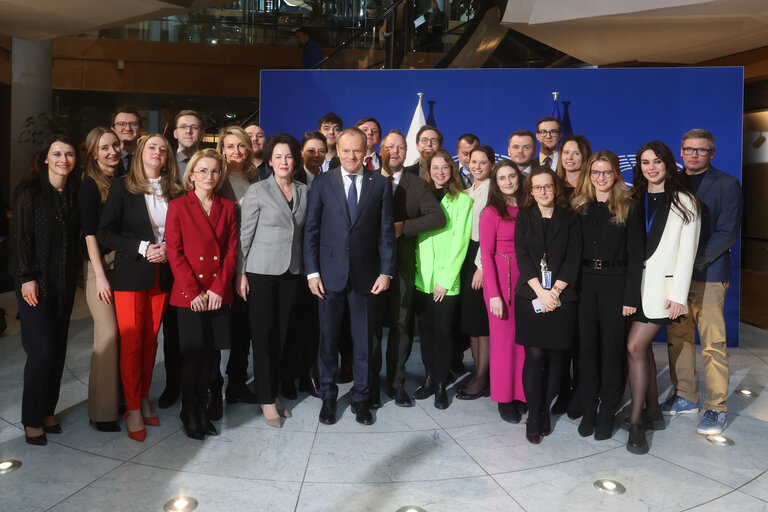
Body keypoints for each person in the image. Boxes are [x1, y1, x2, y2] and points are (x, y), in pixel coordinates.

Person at [304, 127, 395, 426]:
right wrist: (312, 272)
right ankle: (328, 397)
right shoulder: (322, 182)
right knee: (327, 340)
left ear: (366, 149)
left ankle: (361, 398)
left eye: (357, 150)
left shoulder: (380, 184)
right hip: (328, 276)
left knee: (363, 343)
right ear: (338, 150)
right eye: (346, 150)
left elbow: (385, 233)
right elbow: (312, 230)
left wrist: (386, 271)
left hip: (367, 277)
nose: (351, 156)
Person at [98, 134, 183, 442]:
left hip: (164, 277)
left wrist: (168, 248)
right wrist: (143, 247)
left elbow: (181, 231)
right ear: (140, 154)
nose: (158, 152)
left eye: (163, 149)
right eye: (152, 147)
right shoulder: (123, 187)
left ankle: (144, 396)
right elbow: (105, 232)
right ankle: (132, 407)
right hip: (131, 276)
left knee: (150, 342)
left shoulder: (176, 190)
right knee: (132, 343)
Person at [664, 130, 742, 436]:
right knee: (678, 337)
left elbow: (727, 232)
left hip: (709, 273)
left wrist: (692, 263)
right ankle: (685, 395)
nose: (694, 155)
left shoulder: (727, 184)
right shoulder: (672, 182)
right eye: (689, 150)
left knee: (713, 343)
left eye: (701, 150)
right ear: (680, 152)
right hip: (675, 277)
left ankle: (716, 406)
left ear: (712, 153)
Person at [625, 140, 700, 455]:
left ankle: (636, 422)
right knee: (641, 352)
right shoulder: (633, 198)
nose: (651, 167)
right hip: (633, 289)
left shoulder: (686, 201)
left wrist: (678, 294)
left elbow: (687, 253)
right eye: (645, 162)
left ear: (669, 164)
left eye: (657, 161)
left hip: (663, 292)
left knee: (634, 347)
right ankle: (653, 411)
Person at [11, 135, 81, 446]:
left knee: (58, 350)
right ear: (45, 158)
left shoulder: (74, 193)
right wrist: (27, 276)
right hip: (34, 283)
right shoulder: (29, 191)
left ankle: (48, 410)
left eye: (69, 154)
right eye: (57, 153)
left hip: (63, 283)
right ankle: (30, 418)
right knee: (40, 351)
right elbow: (21, 236)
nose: (63, 159)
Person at [570, 150, 644, 439]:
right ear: (589, 175)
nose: (601, 178)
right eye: (596, 172)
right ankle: (589, 408)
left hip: (616, 283)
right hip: (584, 284)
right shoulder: (578, 207)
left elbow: (637, 255)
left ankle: (606, 411)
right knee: (586, 350)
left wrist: (630, 297)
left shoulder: (630, 207)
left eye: (607, 172)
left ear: (616, 174)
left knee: (612, 352)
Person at [165, 148, 237, 440]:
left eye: (215, 171)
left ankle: (204, 409)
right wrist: (194, 291)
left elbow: (232, 251)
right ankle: (189, 409)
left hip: (217, 293)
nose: (210, 176)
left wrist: (219, 288)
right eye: (203, 171)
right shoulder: (178, 206)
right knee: (192, 354)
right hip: (189, 294)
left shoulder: (228, 207)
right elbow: (174, 251)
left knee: (211, 353)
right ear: (191, 175)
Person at [238, 134, 308, 428]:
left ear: (295, 160)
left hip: (292, 272)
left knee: (282, 337)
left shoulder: (305, 190)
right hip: (261, 272)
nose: (283, 162)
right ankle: (265, 399)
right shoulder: (257, 191)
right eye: (277, 157)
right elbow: (245, 234)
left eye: (288, 156)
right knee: (263, 337)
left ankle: (274, 392)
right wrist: (240, 273)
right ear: (269, 161)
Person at [371, 130, 446, 408]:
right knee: (372, 325)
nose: (395, 151)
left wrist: (404, 227)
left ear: (407, 151)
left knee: (402, 323)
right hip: (371, 263)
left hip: (403, 262)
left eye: (400, 147)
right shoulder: (368, 179)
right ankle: (369, 381)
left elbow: (438, 217)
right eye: (390, 146)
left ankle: (397, 382)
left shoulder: (417, 184)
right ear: (381, 150)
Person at [514, 166, 582, 444]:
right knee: (535, 357)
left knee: (557, 358)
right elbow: (523, 256)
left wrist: (554, 291)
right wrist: (540, 292)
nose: (543, 192)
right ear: (531, 191)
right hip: (531, 295)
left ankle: (544, 409)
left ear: (556, 188)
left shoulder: (570, 218)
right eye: (537, 187)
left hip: (562, 297)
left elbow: (574, 257)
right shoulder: (524, 217)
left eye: (548, 186)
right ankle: (533, 414)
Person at [412, 150, 472, 409]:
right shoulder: (420, 198)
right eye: (435, 168)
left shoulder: (462, 202)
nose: (439, 172)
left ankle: (439, 384)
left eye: (444, 167)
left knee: (444, 333)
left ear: (452, 170)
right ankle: (428, 379)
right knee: (426, 333)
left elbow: (461, 243)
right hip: (421, 278)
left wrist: (445, 279)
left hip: (445, 281)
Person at [159, 109, 207, 410]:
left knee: (204, 330)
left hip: (203, 259)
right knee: (173, 327)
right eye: (183, 127)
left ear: (201, 133)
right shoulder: (164, 162)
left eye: (194, 127)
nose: (189, 131)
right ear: (174, 133)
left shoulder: (211, 163)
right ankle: (173, 384)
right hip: (171, 256)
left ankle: (202, 387)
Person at [79, 127, 122, 432]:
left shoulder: (120, 181)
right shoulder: (88, 187)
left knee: (118, 336)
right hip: (100, 267)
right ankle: (103, 413)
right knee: (108, 337)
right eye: (105, 147)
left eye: (115, 145)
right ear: (94, 152)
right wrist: (100, 276)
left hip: (122, 266)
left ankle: (110, 401)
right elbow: (89, 233)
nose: (112, 151)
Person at [479, 160, 527, 423]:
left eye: (512, 176)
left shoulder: (528, 208)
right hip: (501, 281)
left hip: (526, 280)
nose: (508, 182)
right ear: (495, 184)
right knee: (502, 343)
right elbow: (485, 255)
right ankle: (504, 397)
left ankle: (520, 393)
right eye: (502, 178)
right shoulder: (491, 212)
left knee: (522, 341)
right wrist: (494, 294)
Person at [550, 134, 592, 417]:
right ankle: (562, 391)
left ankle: (582, 392)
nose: (570, 158)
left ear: (585, 157)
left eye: (576, 153)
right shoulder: (553, 188)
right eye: (566, 152)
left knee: (583, 339)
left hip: (588, 273)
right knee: (561, 338)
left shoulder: (596, 187)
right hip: (559, 273)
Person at [456, 144, 494, 400]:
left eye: (483, 162)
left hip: (482, 258)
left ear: (491, 164)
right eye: (473, 161)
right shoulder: (468, 190)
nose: (477, 166)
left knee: (482, 323)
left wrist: (481, 267)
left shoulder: (493, 190)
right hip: (467, 256)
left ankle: (483, 376)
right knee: (472, 322)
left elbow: (489, 233)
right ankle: (478, 371)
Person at [112, 106, 142, 172]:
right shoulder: (107, 159)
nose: (128, 128)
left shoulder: (149, 158)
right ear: (113, 129)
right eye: (122, 124)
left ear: (140, 129)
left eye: (133, 124)